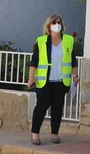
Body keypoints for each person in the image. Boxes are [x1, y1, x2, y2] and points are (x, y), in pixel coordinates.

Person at [27, 14, 79, 145]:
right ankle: (35, 134)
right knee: (41, 108)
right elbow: (34, 61)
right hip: (45, 81)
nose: (57, 25)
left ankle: (54, 133)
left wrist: (75, 75)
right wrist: (31, 78)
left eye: (59, 22)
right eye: (54, 22)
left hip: (61, 81)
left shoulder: (68, 40)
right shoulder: (42, 41)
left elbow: (73, 60)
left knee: (57, 108)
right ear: (49, 25)